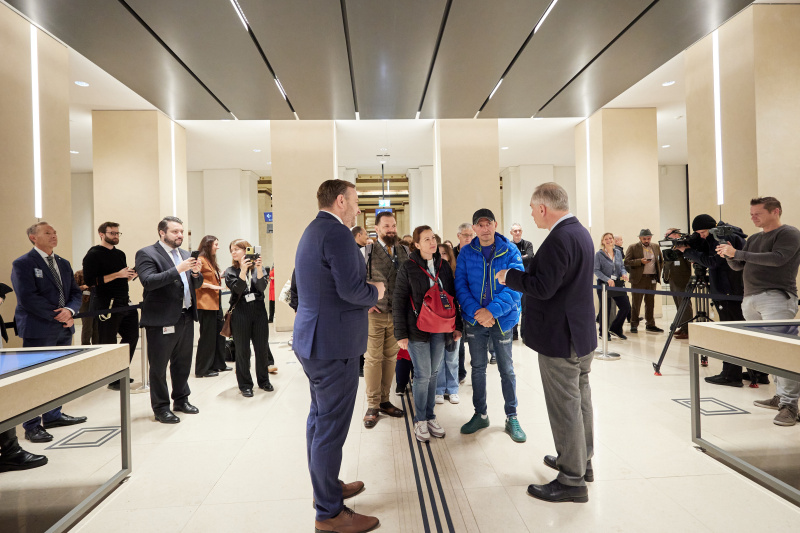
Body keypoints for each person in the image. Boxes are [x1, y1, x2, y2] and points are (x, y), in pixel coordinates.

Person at [496, 182, 596, 503]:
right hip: (580, 334)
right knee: (580, 400)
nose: (531, 214)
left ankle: (571, 480)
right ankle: (582, 462)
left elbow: (543, 287)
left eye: (531, 209)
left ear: (543, 208)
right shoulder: (579, 232)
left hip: (560, 337)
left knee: (565, 406)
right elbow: (560, 278)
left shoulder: (557, 238)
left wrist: (508, 277)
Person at [294, 179, 383, 533]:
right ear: (342, 200)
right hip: (334, 346)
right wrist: (376, 290)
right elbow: (352, 290)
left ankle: (326, 489)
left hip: (313, 340)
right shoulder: (338, 234)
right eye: (357, 201)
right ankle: (329, 513)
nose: (359, 208)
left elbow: (304, 287)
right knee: (330, 427)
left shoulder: (312, 231)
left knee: (319, 419)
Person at [719, 197, 800, 425]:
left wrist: (738, 254)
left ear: (775, 211)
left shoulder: (789, 233)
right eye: (751, 213)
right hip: (751, 299)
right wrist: (728, 254)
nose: (753, 217)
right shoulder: (754, 238)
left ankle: (790, 405)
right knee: (769, 351)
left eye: (758, 213)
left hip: (777, 297)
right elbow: (739, 265)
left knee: (783, 351)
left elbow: (777, 259)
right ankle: (780, 396)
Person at [11, 222, 87, 443]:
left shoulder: (62, 263)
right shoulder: (23, 263)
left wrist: (70, 310)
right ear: (33, 238)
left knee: (58, 372)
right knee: (36, 376)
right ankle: (32, 425)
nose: (54, 236)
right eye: (47, 233)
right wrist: (59, 314)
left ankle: (53, 415)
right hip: (39, 327)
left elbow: (75, 292)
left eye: (55, 233)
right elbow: (28, 298)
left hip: (64, 326)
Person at [455, 208, 526, 443]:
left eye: (488, 224)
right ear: (474, 228)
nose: (484, 229)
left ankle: (512, 416)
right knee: (477, 368)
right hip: (476, 320)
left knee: (507, 369)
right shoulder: (466, 253)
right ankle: (480, 414)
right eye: (480, 225)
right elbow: (461, 287)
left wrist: (492, 312)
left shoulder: (510, 250)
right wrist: (479, 313)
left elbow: (516, 286)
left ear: (495, 225)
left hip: (502, 320)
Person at [393, 227, 462, 442]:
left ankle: (431, 416)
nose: (432, 242)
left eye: (433, 238)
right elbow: (399, 301)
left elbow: (452, 298)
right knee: (422, 375)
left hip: (440, 329)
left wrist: (457, 326)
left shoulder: (443, 267)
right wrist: (400, 334)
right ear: (416, 244)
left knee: (433, 373)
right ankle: (420, 419)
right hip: (417, 329)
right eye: (426, 239)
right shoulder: (408, 267)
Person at [135, 216, 203, 424]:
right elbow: (148, 281)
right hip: (161, 319)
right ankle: (161, 407)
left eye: (181, 231)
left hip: (185, 316)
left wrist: (195, 274)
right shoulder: (147, 253)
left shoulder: (183, 254)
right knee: (159, 367)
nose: (180, 235)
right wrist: (178, 270)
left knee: (182, 363)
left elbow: (196, 284)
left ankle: (181, 400)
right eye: (175, 231)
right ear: (162, 233)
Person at [678, 215, 748, 386]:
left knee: (730, 332)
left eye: (702, 232)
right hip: (734, 289)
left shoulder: (720, 237)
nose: (701, 236)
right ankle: (758, 373)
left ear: (711, 227)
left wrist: (687, 252)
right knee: (741, 330)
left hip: (727, 290)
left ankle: (731, 375)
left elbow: (713, 262)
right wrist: (695, 241)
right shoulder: (729, 232)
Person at [362, 211, 408, 428]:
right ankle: (372, 405)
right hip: (375, 313)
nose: (391, 230)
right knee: (372, 358)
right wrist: (366, 301)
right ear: (377, 229)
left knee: (391, 358)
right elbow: (357, 279)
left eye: (393, 226)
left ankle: (384, 400)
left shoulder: (404, 250)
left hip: (397, 314)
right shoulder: (367, 251)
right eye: (386, 226)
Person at [82, 221, 140, 390]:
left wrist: (128, 276)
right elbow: (90, 281)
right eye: (112, 233)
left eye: (117, 233)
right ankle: (112, 378)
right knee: (108, 339)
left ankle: (120, 371)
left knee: (132, 335)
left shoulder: (120, 254)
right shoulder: (93, 254)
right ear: (102, 234)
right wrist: (118, 274)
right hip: (106, 303)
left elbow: (120, 277)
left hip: (124, 301)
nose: (115, 236)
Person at [225, 239, 274, 397]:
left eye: (237, 249)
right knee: (242, 350)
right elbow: (238, 289)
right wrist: (243, 270)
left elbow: (261, 287)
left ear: (247, 251)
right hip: (240, 312)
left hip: (259, 311)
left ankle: (264, 381)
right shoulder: (230, 271)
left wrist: (258, 269)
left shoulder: (259, 268)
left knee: (261, 348)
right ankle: (245, 384)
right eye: (232, 250)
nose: (233, 252)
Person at [194, 235, 231, 378]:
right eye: (216, 244)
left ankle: (218, 364)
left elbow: (210, 277)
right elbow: (196, 281)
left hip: (215, 303)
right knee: (207, 337)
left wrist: (220, 276)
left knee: (219, 335)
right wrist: (213, 286)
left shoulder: (210, 261)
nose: (218, 247)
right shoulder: (200, 261)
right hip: (205, 304)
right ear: (208, 245)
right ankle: (202, 369)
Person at [624, 229, 664, 333]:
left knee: (650, 303)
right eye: (644, 238)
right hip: (639, 279)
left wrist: (658, 272)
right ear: (640, 238)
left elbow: (660, 261)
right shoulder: (633, 247)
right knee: (636, 303)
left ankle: (650, 324)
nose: (647, 240)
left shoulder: (655, 246)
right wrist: (640, 262)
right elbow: (627, 262)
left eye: (648, 238)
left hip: (652, 278)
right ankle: (634, 324)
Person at [593, 232, 631, 340]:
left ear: (613, 240)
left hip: (617, 283)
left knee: (625, 306)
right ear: (602, 242)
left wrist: (624, 273)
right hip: (604, 284)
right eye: (606, 239)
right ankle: (603, 333)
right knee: (606, 309)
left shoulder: (618, 252)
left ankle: (616, 328)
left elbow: (622, 266)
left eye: (610, 238)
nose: (609, 240)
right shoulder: (599, 254)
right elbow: (596, 270)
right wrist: (607, 279)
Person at [436, 243, 460, 404]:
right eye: (439, 253)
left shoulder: (456, 274)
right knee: (438, 357)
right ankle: (438, 389)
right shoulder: (431, 273)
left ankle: (452, 389)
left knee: (452, 357)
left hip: (452, 320)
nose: (442, 256)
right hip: (436, 321)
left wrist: (459, 326)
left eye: (445, 253)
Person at [662, 228, 694, 340]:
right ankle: (682, 326)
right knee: (678, 304)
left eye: (667, 234)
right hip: (673, 279)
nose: (665, 236)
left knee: (684, 304)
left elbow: (689, 261)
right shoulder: (673, 247)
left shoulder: (684, 245)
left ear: (675, 235)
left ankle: (687, 329)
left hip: (683, 279)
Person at [453, 222, 475, 383]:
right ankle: (460, 372)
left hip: (471, 302)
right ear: (459, 236)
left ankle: (475, 367)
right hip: (455, 302)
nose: (468, 238)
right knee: (458, 340)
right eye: (466, 235)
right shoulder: (452, 253)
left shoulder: (476, 252)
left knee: (473, 339)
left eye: (470, 235)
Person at [73, 270, 98, 345]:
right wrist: (84, 286)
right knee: (87, 326)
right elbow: (73, 288)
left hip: (97, 301)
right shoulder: (79, 274)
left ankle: (97, 347)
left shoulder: (99, 273)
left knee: (97, 327)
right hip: (85, 301)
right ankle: (85, 346)